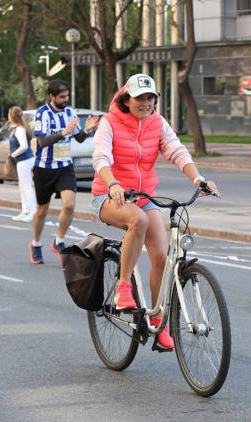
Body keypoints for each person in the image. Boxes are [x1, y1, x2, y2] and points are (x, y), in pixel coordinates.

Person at [91, 73, 219, 350]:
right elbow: (101, 157)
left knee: (162, 256)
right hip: (109, 195)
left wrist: (198, 179)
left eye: (151, 98)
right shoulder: (109, 123)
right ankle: (124, 287)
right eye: (140, 98)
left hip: (144, 196)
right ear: (126, 99)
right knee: (137, 220)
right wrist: (112, 183)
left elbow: (176, 150)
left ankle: (157, 320)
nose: (146, 103)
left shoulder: (158, 123)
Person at [29, 80, 100, 265]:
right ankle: (36, 243)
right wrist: (63, 132)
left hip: (65, 167)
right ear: (52, 97)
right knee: (42, 211)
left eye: (67, 96)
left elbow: (78, 137)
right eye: (62, 97)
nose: (66, 100)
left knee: (69, 205)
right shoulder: (42, 114)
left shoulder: (70, 112)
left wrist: (86, 129)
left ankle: (59, 241)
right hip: (44, 168)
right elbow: (42, 142)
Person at [7, 106, 37, 223]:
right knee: (23, 187)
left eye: (9, 115)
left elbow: (24, 146)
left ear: (12, 116)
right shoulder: (17, 128)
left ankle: (32, 211)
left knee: (27, 187)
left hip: (25, 161)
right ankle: (25, 210)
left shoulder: (20, 129)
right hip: (23, 161)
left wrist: (13, 154)